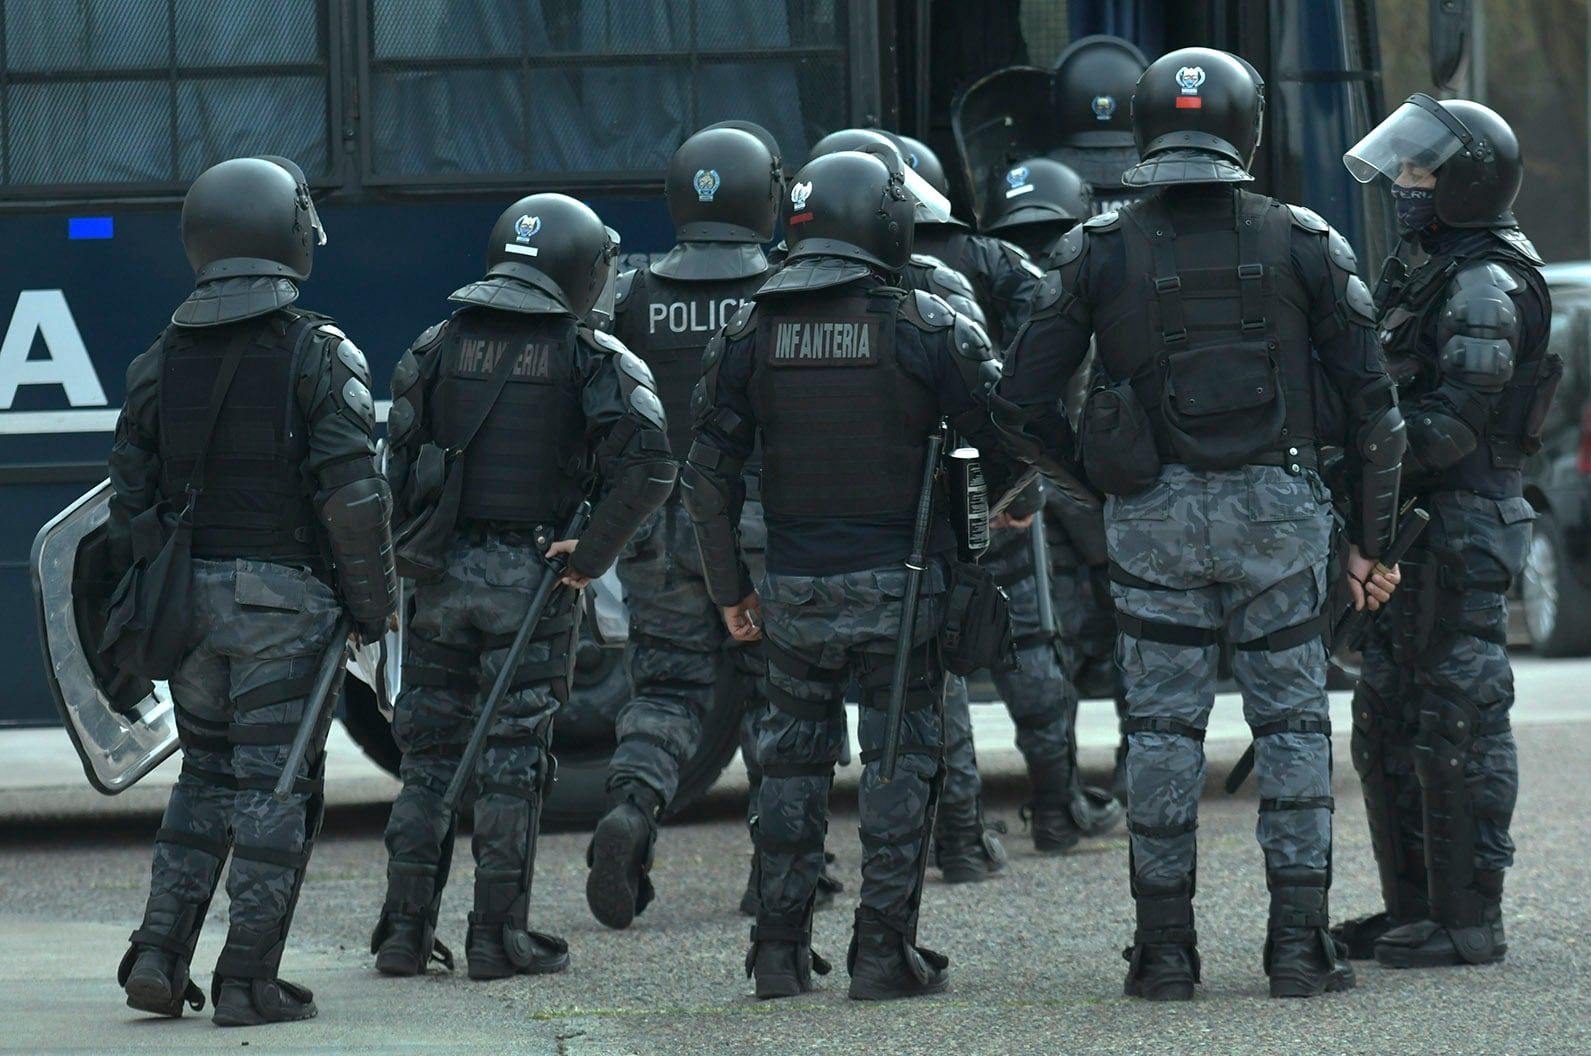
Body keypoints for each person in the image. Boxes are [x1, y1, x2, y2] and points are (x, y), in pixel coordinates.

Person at [989, 47, 1405, 1000]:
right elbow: (1376, 413)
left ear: (1143, 126)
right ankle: (1299, 949)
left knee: (1163, 735)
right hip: (1280, 521)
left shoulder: (1092, 248)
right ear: (1247, 125)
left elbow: (1017, 402)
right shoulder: (1307, 240)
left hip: (1151, 523)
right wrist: (1370, 545)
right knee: (1294, 732)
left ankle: (1165, 955)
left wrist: (1094, 487)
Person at [683, 144, 1021, 1000]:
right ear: (887, 221)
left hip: (791, 588)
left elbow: (705, 475)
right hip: (900, 588)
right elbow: (1005, 445)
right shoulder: (927, 325)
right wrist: (974, 538)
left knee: (790, 764)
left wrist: (730, 591)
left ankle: (777, 953)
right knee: (899, 762)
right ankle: (881, 953)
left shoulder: (749, 330)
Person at [109, 156, 397, 1026]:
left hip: (187, 611)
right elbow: (354, 498)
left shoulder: (155, 364)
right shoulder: (321, 352)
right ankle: (247, 980)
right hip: (284, 608)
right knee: (277, 788)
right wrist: (372, 610)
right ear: (287, 235)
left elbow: (127, 509)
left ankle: (157, 955)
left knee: (205, 777)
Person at [373, 194, 675, 980]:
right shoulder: (592, 356)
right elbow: (649, 465)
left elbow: (395, 466)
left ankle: (402, 933)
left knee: (430, 754)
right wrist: (594, 553)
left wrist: (414, 556)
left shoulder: (436, 344)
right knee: (512, 760)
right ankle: (494, 936)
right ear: (581, 269)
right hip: (535, 580)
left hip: (439, 580)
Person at [1335, 96, 1554, 969]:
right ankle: (1410, 908)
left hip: (1459, 520)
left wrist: (1355, 460)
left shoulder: (1480, 285)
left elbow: (1450, 427)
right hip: (1409, 522)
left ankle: (1468, 920)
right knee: (1385, 714)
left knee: (1456, 716)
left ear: (1465, 181)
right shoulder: (1424, 266)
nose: (1403, 186)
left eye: (1419, 172)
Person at [589, 123, 784, 930]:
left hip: (658, 525)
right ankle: (778, 866)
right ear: (766, 196)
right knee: (781, 692)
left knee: (668, 685)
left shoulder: (629, 293)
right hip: (760, 522)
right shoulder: (790, 288)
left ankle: (632, 807)